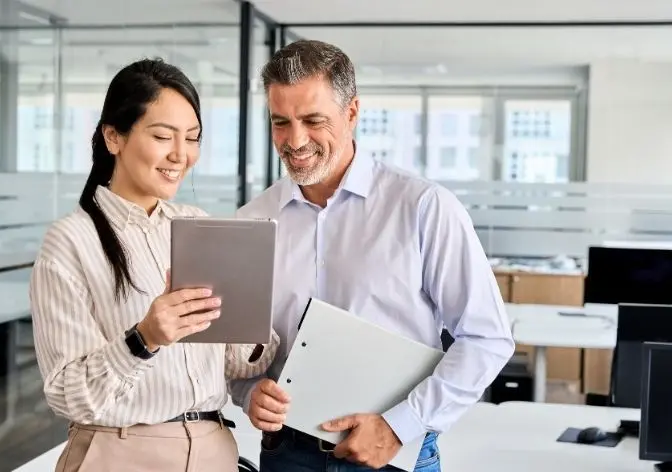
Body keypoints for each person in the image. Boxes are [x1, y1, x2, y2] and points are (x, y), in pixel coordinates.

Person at [230, 40, 516, 472]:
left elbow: (486, 338)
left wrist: (401, 425)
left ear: (352, 113)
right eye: (280, 122)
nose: (295, 140)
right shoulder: (253, 220)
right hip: (286, 455)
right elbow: (237, 352)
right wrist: (249, 392)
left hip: (393, 455)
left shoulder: (423, 207)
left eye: (312, 120)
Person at [29, 58, 279, 472]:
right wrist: (144, 338)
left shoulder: (197, 224)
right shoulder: (71, 240)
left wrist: (252, 309)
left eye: (193, 138)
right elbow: (67, 394)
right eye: (163, 136)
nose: (180, 155)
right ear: (113, 136)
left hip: (213, 450)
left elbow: (237, 364)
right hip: (121, 454)